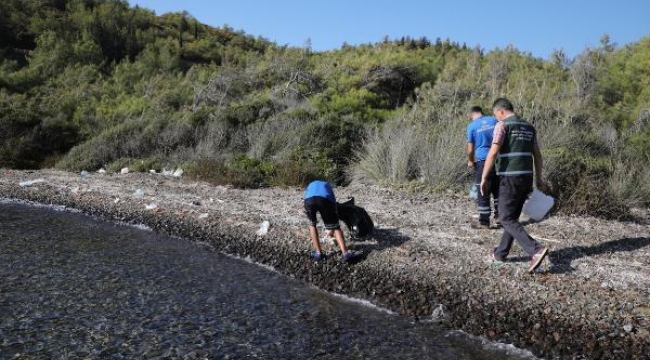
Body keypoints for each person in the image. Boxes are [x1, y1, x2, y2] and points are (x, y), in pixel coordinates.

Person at [480, 98, 549, 274]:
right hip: (526, 178)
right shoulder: (529, 127)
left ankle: (536, 250)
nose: (496, 119)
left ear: (500, 111)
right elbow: (538, 156)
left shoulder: (503, 126)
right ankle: (500, 254)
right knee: (512, 218)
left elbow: (493, 152)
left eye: (496, 115)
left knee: (505, 218)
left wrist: (484, 177)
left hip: (510, 178)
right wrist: (539, 179)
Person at [303, 180, 361, 262]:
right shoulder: (327, 185)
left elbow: (305, 196)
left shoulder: (310, 185)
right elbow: (332, 200)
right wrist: (334, 217)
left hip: (308, 200)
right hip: (324, 200)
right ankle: (345, 254)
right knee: (336, 227)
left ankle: (318, 253)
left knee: (312, 225)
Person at [467, 106, 499, 228]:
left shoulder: (472, 126)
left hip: (483, 160)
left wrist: (470, 161)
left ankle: (484, 221)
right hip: (498, 159)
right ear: (482, 112)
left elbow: (470, 149)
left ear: (471, 114)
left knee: (483, 189)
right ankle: (500, 216)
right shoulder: (493, 120)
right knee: (498, 188)